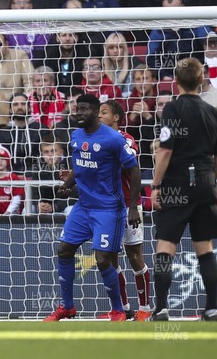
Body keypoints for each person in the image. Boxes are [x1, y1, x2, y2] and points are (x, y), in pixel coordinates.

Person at [44, 94, 141, 322]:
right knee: (64, 250)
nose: (78, 112)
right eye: (77, 108)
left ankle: (119, 310)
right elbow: (79, 165)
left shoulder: (113, 139)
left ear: (96, 112)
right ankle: (67, 307)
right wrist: (67, 185)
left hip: (108, 209)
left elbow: (134, 170)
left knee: (103, 259)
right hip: (83, 206)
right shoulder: (75, 136)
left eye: (84, 109)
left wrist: (134, 206)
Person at [150, 57, 217, 322]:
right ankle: (212, 308)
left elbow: (166, 150)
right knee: (204, 247)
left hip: (178, 184)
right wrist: (211, 180)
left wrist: (156, 185)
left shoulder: (173, 109)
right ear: (201, 79)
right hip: (205, 184)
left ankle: (160, 309)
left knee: (165, 245)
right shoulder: (213, 112)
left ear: (176, 80)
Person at [98, 100, 153, 321]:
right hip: (106, 208)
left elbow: (126, 165)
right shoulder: (94, 141)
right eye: (98, 112)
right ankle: (123, 308)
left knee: (134, 256)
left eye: (104, 112)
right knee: (110, 258)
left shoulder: (127, 139)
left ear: (116, 118)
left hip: (130, 205)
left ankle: (145, 309)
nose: (99, 116)